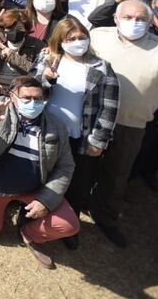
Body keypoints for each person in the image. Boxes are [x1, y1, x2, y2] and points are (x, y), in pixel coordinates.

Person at [87, 0, 158, 247]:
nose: (134, 22)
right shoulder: (98, 36)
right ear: (116, 19)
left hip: (130, 122)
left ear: (150, 21)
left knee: (118, 172)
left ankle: (106, 216)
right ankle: (75, 206)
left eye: (141, 19)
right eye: (128, 17)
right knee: (83, 167)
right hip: (92, 117)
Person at [0, 76, 80, 269]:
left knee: (69, 225)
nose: (33, 103)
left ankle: (29, 232)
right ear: (13, 97)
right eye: (26, 98)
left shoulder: (56, 126)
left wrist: (46, 200)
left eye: (38, 99)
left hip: (33, 189)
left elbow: (65, 166)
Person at [34, 17, 119, 249]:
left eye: (82, 37)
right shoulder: (48, 58)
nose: (78, 42)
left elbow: (109, 106)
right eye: (71, 38)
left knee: (78, 183)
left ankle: (68, 224)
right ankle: (34, 215)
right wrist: (46, 80)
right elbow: (31, 89)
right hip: (46, 132)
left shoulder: (101, 67)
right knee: (42, 175)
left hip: (80, 137)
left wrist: (99, 139)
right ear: (60, 40)